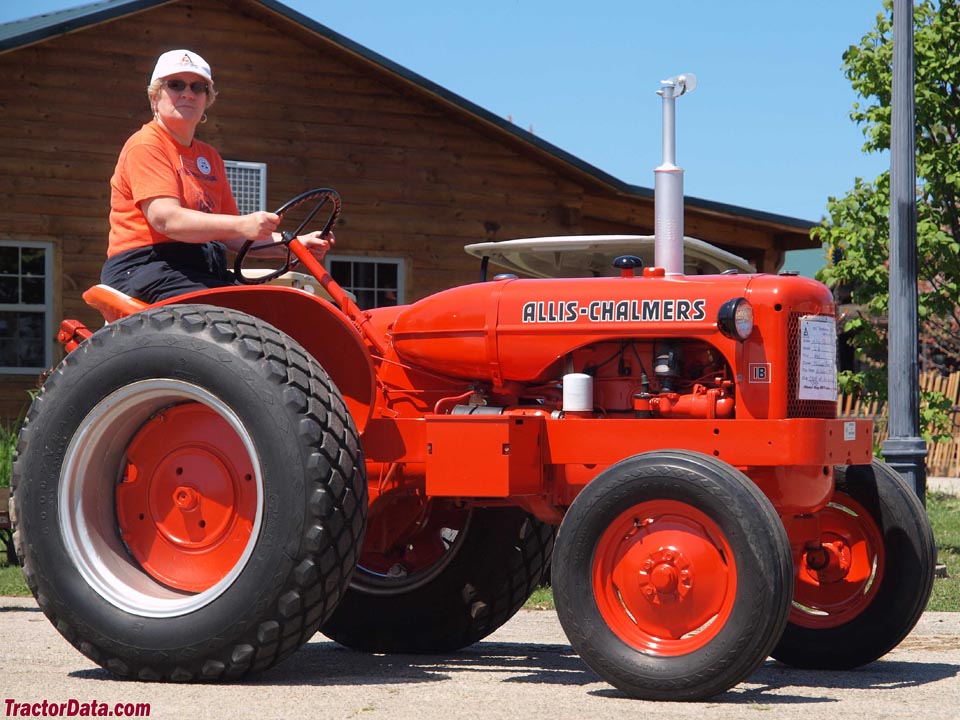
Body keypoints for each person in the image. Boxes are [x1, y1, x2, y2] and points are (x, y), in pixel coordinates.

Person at [101, 49, 332, 303]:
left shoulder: (209, 157)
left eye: (198, 87)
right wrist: (242, 223)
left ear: (206, 99)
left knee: (278, 306)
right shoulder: (147, 145)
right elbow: (166, 220)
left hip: (199, 269)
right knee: (233, 310)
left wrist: (295, 245)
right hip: (147, 267)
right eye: (176, 85)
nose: (188, 93)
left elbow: (233, 236)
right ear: (155, 97)